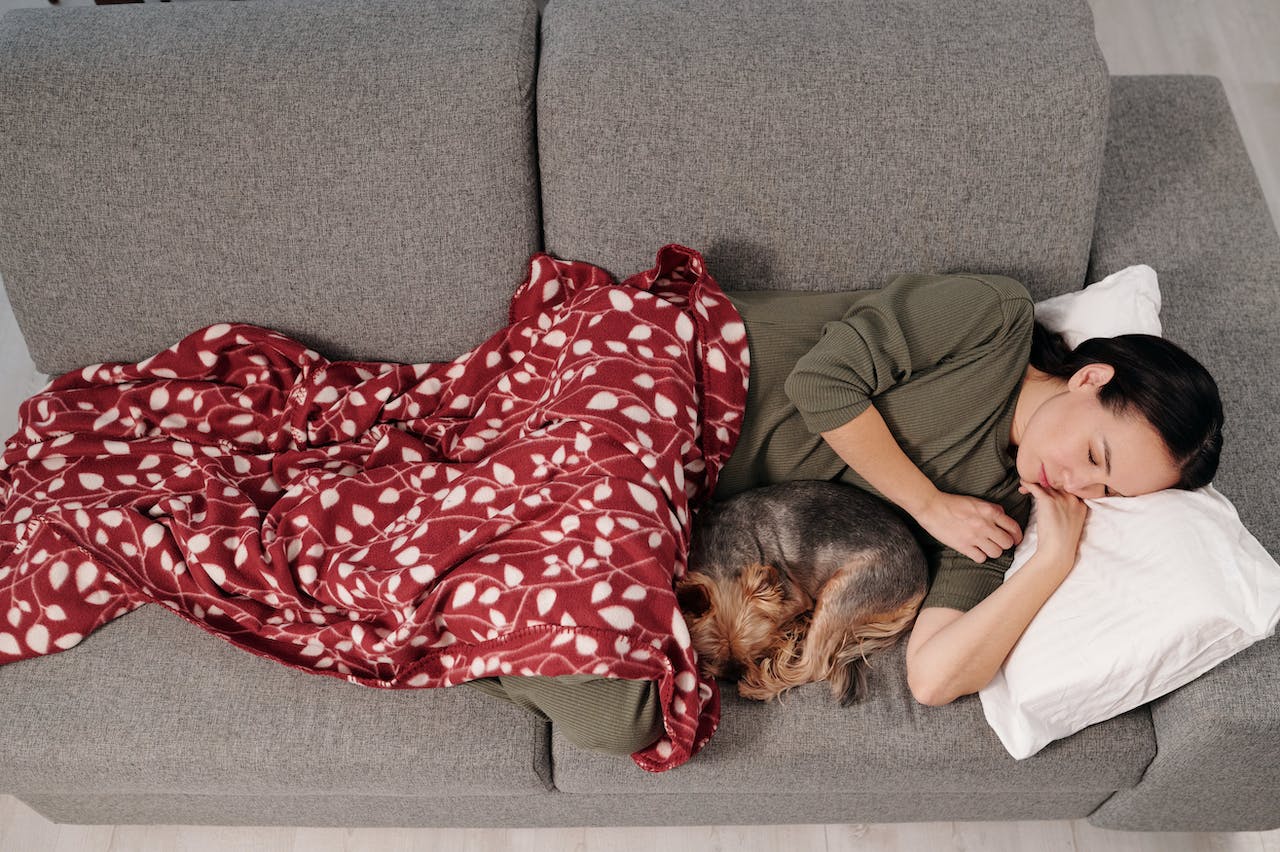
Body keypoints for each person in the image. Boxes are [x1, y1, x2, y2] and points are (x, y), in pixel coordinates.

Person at [717, 272, 1223, 706]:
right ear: (1090, 379)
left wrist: (1054, 560)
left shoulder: (999, 512)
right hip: (692, 366)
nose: (1079, 484)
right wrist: (929, 505)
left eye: (1108, 490)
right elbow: (819, 382)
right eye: (1095, 456)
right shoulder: (995, 319)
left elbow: (933, 678)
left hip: (691, 485)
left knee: (644, 708)